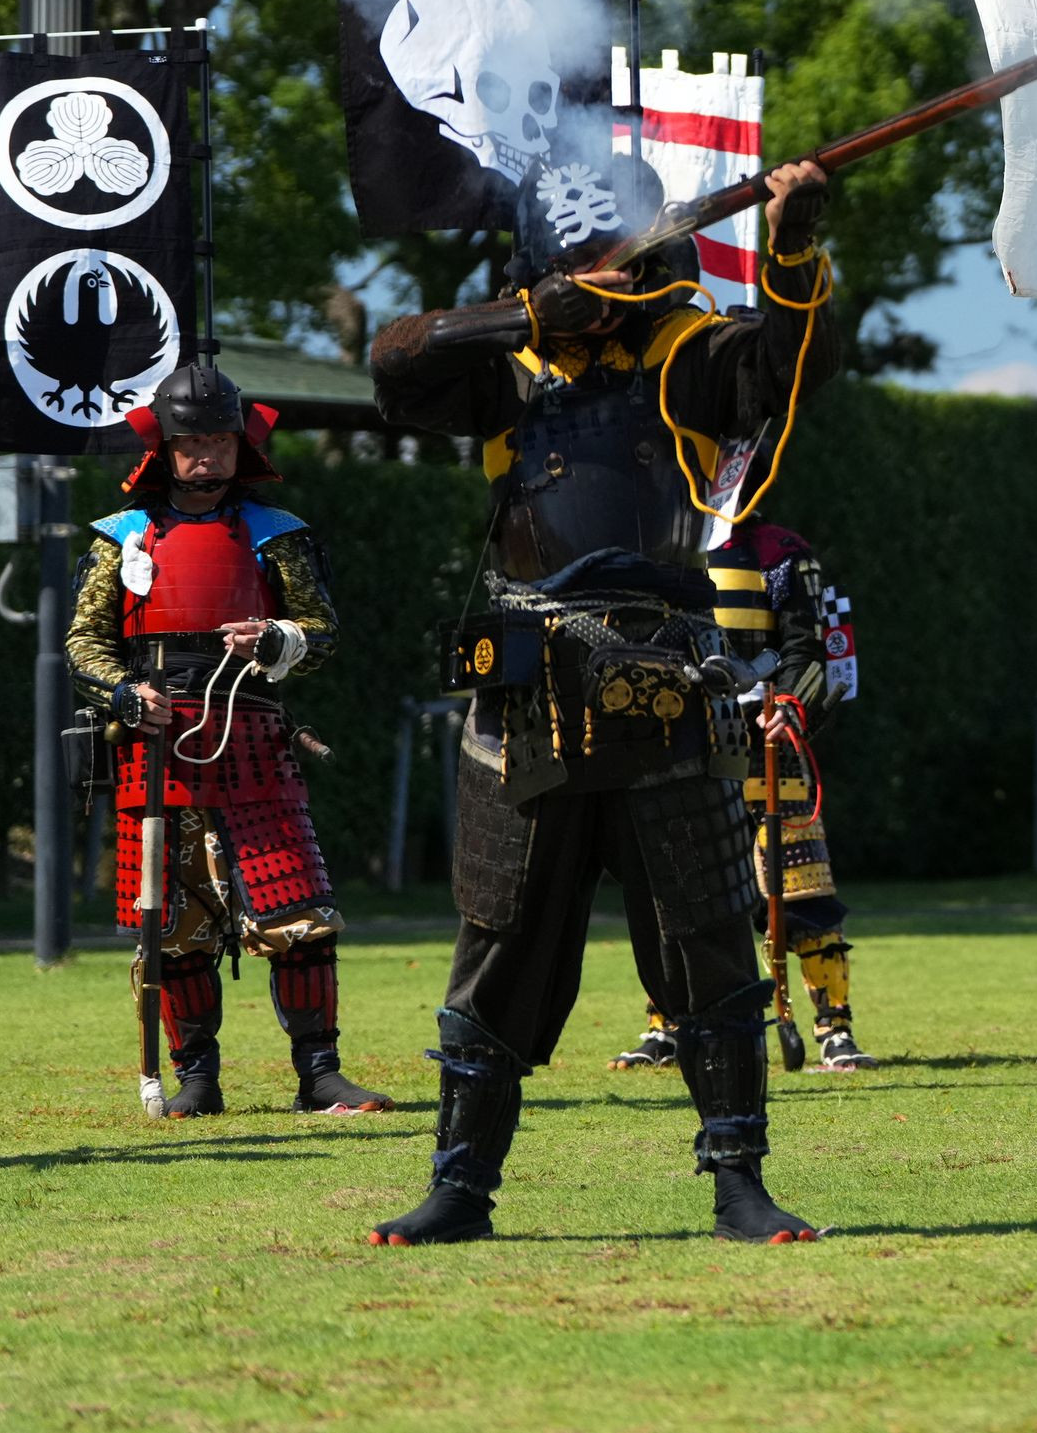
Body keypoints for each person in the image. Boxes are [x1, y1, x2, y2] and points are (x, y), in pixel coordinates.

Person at [366, 154, 840, 1244]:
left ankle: (738, 1182)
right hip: (525, 688)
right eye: (579, 256)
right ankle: (460, 1187)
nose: (603, 272)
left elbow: (786, 369)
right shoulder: (507, 367)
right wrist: (524, 315)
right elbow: (393, 362)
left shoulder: (689, 351)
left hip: (664, 676)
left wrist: (791, 248)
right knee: (496, 940)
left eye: (613, 251)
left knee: (708, 937)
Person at [68, 360, 387, 1120]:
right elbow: (83, 641)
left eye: (219, 441)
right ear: (167, 449)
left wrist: (275, 638)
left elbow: (323, 632)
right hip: (156, 748)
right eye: (192, 443)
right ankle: (198, 1079)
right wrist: (125, 692)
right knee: (173, 926)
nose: (206, 456)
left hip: (254, 741)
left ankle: (320, 1075)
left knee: (298, 912)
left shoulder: (279, 535)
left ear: (241, 444)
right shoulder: (121, 538)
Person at [612, 522, 880, 1072]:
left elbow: (807, 647)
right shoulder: (658, 541)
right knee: (676, 891)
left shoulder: (780, 553)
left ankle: (834, 1029)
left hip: (767, 742)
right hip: (683, 743)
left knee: (802, 891)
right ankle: (669, 1025)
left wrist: (792, 705)